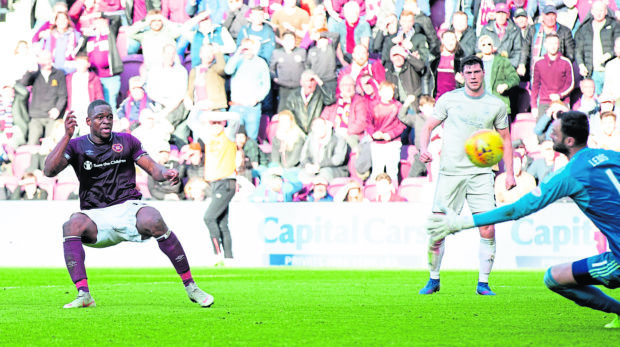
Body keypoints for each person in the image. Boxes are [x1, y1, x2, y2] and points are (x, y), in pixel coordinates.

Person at [426, 110, 620, 329]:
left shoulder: (570, 175)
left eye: (554, 133)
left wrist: (460, 223)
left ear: (569, 140)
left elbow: (516, 210)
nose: (550, 136)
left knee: (554, 279)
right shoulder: (613, 157)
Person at [43, 100, 213, 308]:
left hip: (128, 209)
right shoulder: (76, 145)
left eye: (109, 117)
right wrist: (67, 135)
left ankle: (191, 287)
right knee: (71, 225)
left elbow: (153, 168)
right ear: (88, 121)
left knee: (154, 218)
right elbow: (49, 171)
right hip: (96, 217)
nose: (106, 121)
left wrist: (165, 172)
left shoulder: (127, 141)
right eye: (100, 118)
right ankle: (84, 295)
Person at [418, 55, 516, 296]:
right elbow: (428, 126)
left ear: (483, 73)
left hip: (481, 174)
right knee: (438, 228)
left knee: (487, 229)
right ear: (462, 76)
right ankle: (433, 279)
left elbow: (505, 138)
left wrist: (510, 173)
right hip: (451, 173)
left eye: (477, 72)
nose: (473, 77)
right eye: (468, 73)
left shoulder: (496, 105)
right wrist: (423, 148)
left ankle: (483, 283)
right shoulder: (449, 100)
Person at [187, 104, 240, 264]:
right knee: (222, 222)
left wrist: (214, 116)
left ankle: (217, 255)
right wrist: (198, 107)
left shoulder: (229, 134)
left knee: (209, 218)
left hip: (226, 181)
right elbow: (191, 121)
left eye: (219, 123)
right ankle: (229, 259)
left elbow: (236, 118)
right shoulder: (209, 137)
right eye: (213, 123)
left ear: (223, 123)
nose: (216, 125)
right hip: (216, 183)